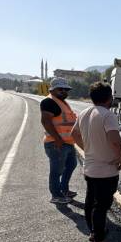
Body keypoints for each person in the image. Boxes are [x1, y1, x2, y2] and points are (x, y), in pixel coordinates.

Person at [71, 82, 121, 242]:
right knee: (101, 206)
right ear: (109, 98)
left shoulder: (84, 113)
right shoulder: (107, 115)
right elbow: (115, 140)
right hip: (106, 171)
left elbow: (73, 134)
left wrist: (88, 149)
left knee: (91, 202)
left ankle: (94, 233)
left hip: (90, 168)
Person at [40, 77, 78, 205]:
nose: (64, 91)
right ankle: (56, 195)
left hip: (67, 143)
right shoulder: (49, 102)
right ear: (53, 89)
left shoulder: (63, 102)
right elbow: (45, 121)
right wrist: (58, 139)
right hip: (56, 143)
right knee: (56, 171)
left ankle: (64, 190)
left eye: (66, 89)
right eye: (60, 89)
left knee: (71, 165)